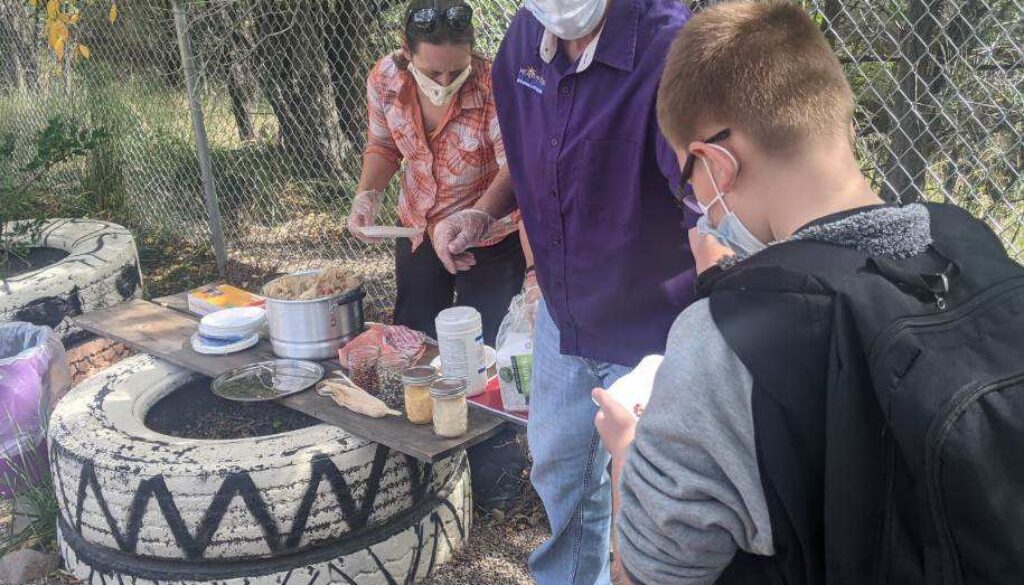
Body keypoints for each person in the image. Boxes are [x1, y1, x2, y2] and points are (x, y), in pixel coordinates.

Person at [594, 2, 1024, 583]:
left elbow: (645, 576)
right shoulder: (972, 244)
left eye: (686, 181)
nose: (697, 203)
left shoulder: (722, 343)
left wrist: (628, 458)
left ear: (715, 164)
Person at [431, 0, 699, 583]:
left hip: (651, 326)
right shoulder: (526, 39)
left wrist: (705, 338)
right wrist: (482, 213)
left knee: (656, 500)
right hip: (562, 309)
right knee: (558, 467)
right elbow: (535, 151)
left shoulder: (672, 46)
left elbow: (711, 210)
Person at [347, 0, 531, 510]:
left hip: (489, 236)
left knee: (482, 356)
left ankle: (490, 475)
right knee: (415, 343)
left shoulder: (496, 85)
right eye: (433, 70)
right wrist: (368, 196)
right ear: (407, 54)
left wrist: (475, 221)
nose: (446, 79)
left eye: (457, 69)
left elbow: (513, 169)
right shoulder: (385, 78)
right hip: (416, 229)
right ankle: (419, 464)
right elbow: (383, 145)